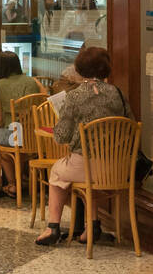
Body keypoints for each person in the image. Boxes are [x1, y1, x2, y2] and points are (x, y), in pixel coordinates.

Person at [36, 46, 134, 246]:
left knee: (56, 173)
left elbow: (61, 136)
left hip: (86, 165)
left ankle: (52, 227)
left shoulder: (74, 96)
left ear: (79, 69)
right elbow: (130, 124)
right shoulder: (118, 93)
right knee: (89, 182)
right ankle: (92, 227)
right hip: (117, 167)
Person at [0, 50, 45, 198]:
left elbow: (0, 119)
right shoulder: (34, 81)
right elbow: (46, 101)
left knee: (1, 142)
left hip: (15, 135)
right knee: (20, 148)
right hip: (35, 136)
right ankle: (24, 180)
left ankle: (14, 184)